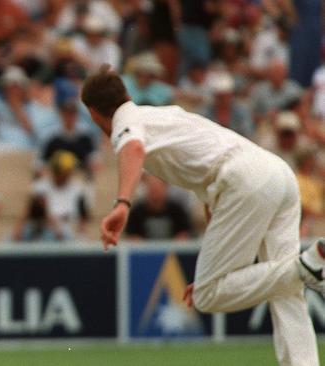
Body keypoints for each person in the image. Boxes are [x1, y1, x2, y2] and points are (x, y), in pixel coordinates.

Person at [81, 65, 323, 366]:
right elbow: (211, 201)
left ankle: (308, 265)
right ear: (127, 93)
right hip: (276, 173)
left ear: (92, 113)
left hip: (243, 179)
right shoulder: (166, 114)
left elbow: (132, 149)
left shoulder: (126, 121)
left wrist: (122, 204)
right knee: (286, 289)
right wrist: (216, 263)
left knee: (209, 295)